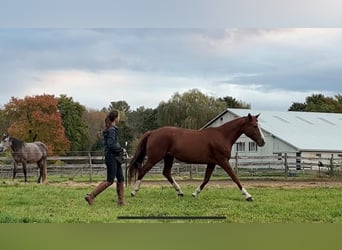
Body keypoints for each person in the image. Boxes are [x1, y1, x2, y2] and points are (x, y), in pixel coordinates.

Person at [84, 110, 126, 206]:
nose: (119, 118)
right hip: (112, 157)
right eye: (118, 116)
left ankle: (121, 201)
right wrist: (120, 149)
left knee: (120, 178)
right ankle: (91, 196)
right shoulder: (112, 130)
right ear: (115, 118)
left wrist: (120, 149)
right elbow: (111, 145)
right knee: (110, 180)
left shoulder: (112, 129)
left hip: (115, 157)